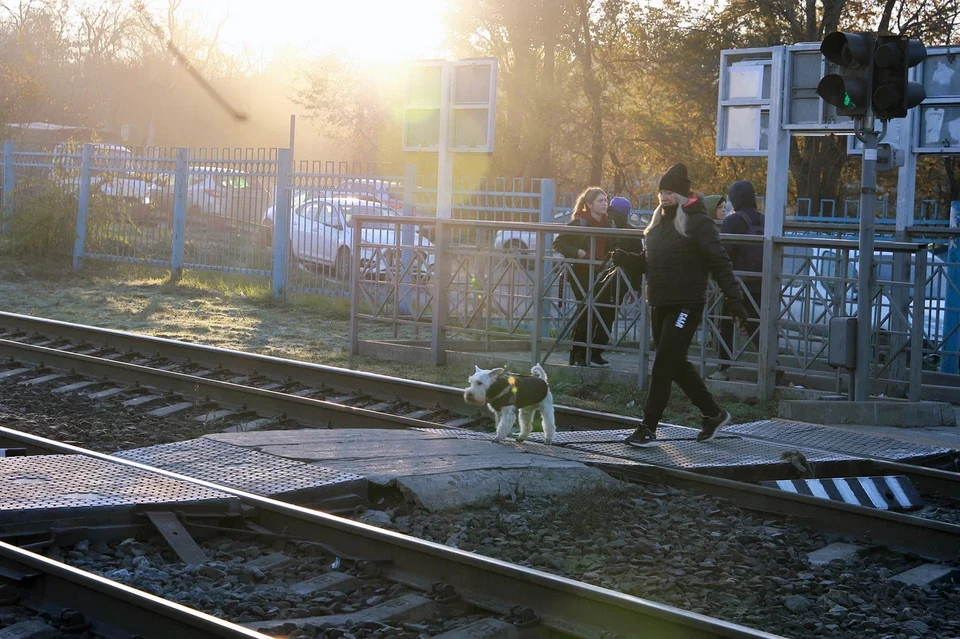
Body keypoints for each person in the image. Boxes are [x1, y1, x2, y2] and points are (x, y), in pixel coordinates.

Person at [613, 163, 748, 446]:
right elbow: (651, 263)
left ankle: (648, 427)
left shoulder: (699, 223)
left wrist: (735, 302)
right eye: (661, 191)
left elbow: (720, 264)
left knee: (663, 365)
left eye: (670, 192)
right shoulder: (658, 222)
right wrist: (628, 259)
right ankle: (713, 414)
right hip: (660, 301)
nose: (664, 197)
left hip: (687, 304)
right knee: (674, 364)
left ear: (684, 194)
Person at [709, 180, 766, 382]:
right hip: (760, 282)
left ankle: (723, 369)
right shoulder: (763, 219)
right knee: (758, 327)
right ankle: (773, 369)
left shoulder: (732, 221)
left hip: (737, 283)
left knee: (726, 323)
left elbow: (725, 253)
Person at [553, 187, 616, 368]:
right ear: (589, 204)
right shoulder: (580, 223)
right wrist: (579, 253)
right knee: (587, 311)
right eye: (600, 201)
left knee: (605, 311)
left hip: (603, 272)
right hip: (581, 273)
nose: (605, 204)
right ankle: (578, 354)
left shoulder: (609, 223)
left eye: (606, 200)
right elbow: (559, 243)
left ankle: (595, 353)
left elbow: (616, 243)